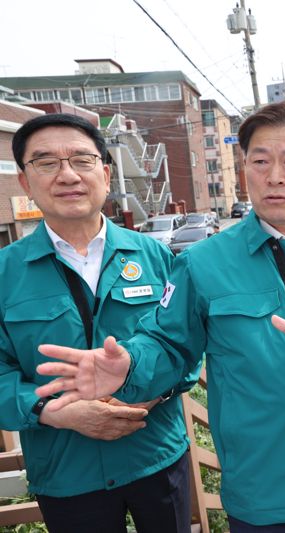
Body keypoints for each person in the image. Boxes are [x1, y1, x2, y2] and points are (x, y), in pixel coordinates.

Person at [34, 99, 285, 532]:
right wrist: (129, 366)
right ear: (244, 169)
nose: (274, 176)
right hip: (263, 500)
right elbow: (167, 343)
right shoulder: (203, 263)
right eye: (259, 161)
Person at [0, 114, 195, 532]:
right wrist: (54, 411)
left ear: (105, 173)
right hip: (67, 473)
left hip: (156, 456)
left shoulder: (156, 257)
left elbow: (186, 349)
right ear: (25, 181)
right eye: (47, 163)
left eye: (81, 160)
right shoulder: (4, 273)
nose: (67, 174)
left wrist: (144, 394)